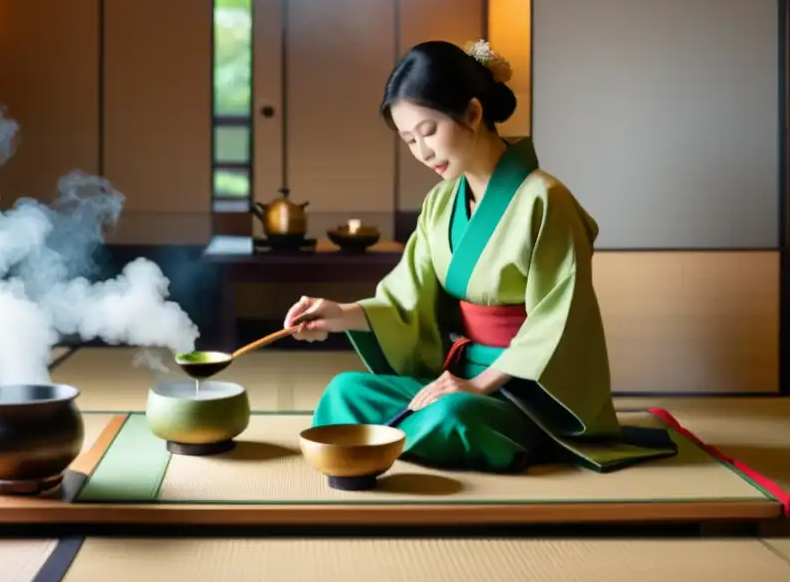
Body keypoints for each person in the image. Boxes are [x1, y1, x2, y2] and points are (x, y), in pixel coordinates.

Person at [283, 40, 677, 474]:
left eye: (428, 131)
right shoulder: (440, 202)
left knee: (454, 417)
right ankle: (409, 436)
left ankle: (402, 438)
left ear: (472, 113)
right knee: (345, 392)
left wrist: (476, 385)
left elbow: (557, 320)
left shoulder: (545, 200)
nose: (422, 152)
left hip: (528, 393)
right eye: (409, 140)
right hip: (453, 379)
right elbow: (405, 300)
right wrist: (339, 314)